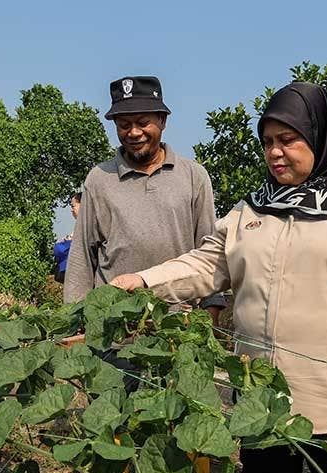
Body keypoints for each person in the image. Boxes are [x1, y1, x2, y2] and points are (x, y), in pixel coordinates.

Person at [111, 82, 327, 473]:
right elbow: (210, 262)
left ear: (320, 136)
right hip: (265, 400)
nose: (275, 152)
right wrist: (143, 282)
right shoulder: (256, 206)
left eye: (288, 140)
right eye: (268, 141)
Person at [62, 75, 226, 321]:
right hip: (113, 329)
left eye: (142, 122)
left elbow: (210, 252)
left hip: (176, 328)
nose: (134, 132)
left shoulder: (193, 176)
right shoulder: (99, 179)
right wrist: (75, 320)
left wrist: (210, 312)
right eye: (124, 125)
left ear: (162, 120)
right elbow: (82, 257)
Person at [53, 191, 79, 284]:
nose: (71, 210)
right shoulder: (79, 227)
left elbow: (60, 250)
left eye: (73, 206)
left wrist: (63, 243)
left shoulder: (85, 228)